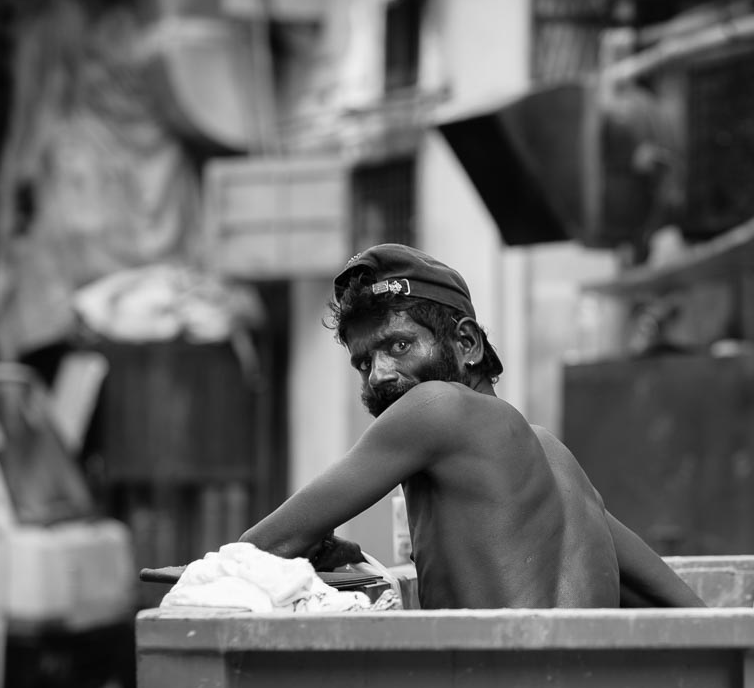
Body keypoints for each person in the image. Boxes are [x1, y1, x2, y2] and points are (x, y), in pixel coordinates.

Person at [239, 243, 705, 610]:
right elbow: (683, 608)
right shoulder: (558, 460)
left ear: (467, 343)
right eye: (363, 363)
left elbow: (255, 550)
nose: (378, 374)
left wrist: (326, 552)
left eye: (398, 345)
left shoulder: (435, 406)